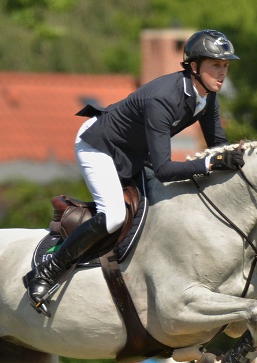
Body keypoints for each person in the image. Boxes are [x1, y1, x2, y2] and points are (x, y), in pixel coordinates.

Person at [25, 29, 244, 316]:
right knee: (114, 216)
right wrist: (210, 164)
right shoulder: (164, 98)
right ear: (194, 66)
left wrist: (234, 158)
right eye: (216, 64)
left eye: (225, 65)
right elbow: (166, 169)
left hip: (133, 152)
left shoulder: (207, 97)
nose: (222, 72)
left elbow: (218, 147)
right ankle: (46, 273)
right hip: (100, 145)